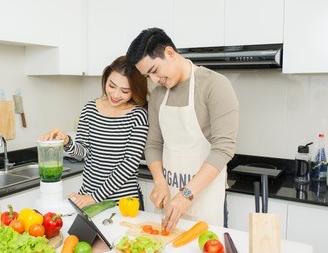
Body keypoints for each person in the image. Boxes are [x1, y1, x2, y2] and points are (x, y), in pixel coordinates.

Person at [126, 28, 239, 231]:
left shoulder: (216, 85)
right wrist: (160, 182)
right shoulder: (159, 94)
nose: (153, 80)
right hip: (170, 198)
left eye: (154, 71)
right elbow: (153, 143)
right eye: (146, 76)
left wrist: (186, 194)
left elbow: (223, 148)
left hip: (205, 198)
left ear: (169, 53)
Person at [40, 56, 149, 209]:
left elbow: (129, 164)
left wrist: (94, 197)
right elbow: (83, 153)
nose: (116, 95)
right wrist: (66, 141)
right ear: (105, 79)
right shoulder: (90, 109)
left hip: (123, 204)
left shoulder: (138, 115)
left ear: (135, 90)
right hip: (87, 199)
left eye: (125, 91)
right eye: (112, 86)